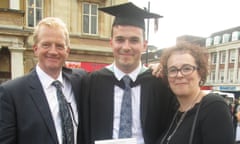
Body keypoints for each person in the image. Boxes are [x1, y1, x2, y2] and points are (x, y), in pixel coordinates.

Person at [82, 2, 177, 144]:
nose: (126, 47)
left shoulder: (159, 84)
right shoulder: (92, 82)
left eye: (134, 40)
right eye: (120, 39)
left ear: (144, 45)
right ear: (111, 43)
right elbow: (83, 130)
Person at [0, 17, 86, 144]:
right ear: (35, 49)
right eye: (46, 44)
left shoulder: (80, 81)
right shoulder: (11, 93)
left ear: (67, 51)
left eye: (59, 46)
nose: (53, 51)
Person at [158, 41, 234, 144]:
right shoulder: (174, 110)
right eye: (173, 70)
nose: (179, 75)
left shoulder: (214, 107)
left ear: (200, 72)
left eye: (187, 68)